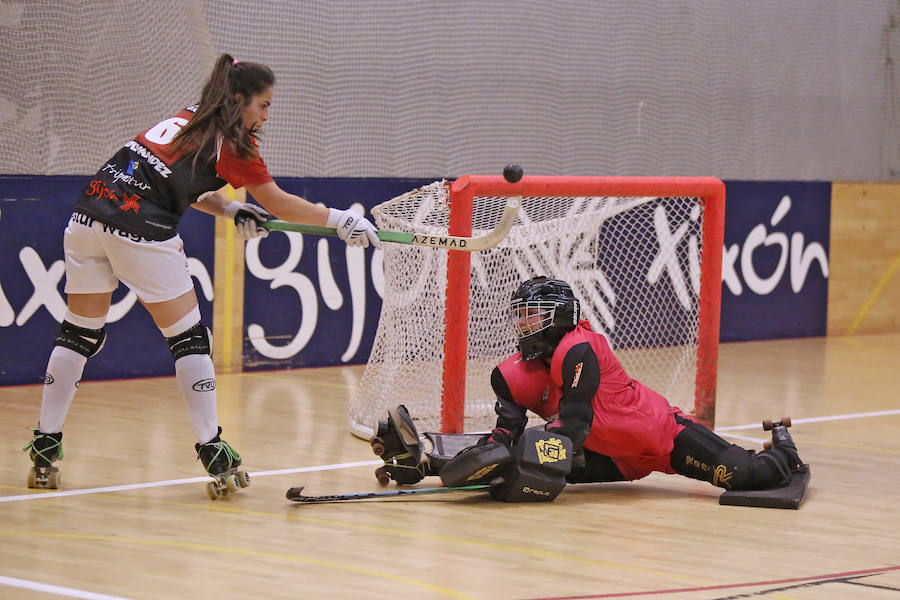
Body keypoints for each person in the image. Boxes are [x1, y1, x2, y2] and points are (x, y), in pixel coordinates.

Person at [23, 53, 381, 495]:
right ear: (238, 100)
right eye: (263, 105)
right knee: (189, 339)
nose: (267, 114)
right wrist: (340, 220)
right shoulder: (235, 145)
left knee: (79, 334)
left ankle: (44, 446)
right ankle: (213, 449)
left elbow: (181, 184)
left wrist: (230, 208)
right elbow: (281, 205)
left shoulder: (189, 119)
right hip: (141, 229)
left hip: (87, 218)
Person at [371, 276, 806, 502]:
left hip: (663, 435)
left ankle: (784, 448)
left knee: (751, 478)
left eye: (532, 315)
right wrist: (455, 465)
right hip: (612, 459)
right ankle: (421, 462)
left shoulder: (582, 348)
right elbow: (504, 433)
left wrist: (528, 451)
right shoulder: (511, 375)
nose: (523, 324)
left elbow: (576, 425)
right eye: (520, 316)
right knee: (512, 464)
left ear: (560, 315)